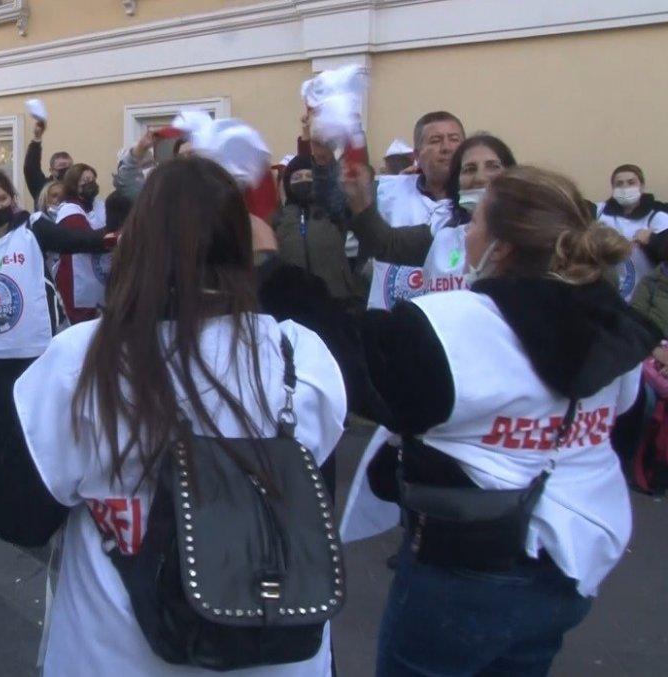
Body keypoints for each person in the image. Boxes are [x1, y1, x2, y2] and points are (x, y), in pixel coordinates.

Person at [265, 166, 657, 676]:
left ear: (504, 247)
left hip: (470, 570)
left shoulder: (462, 326)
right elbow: (621, 412)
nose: (467, 234)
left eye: (476, 224)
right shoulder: (615, 323)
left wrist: (267, 269)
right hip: (575, 562)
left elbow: (348, 351)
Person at [0, 155, 347, 676]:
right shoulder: (298, 355)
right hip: (279, 650)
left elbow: (18, 515)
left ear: (136, 241)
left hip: (115, 656)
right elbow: (312, 494)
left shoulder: (84, 359)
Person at [0, 171, 113, 468]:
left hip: (29, 345)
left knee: (29, 415)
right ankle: (5, 474)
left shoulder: (34, 226)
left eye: (2, 199)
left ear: (13, 198)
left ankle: (32, 473)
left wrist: (112, 238)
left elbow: (77, 240)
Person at [342, 133, 517, 297]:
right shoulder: (442, 232)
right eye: (469, 169)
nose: (480, 178)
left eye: (493, 166)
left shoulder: (529, 236)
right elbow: (387, 243)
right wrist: (360, 201)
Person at [356, 111, 465, 309]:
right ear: (416, 155)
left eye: (454, 139)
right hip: (389, 317)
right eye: (435, 140)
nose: (446, 148)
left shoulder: (477, 204)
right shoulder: (386, 191)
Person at [272, 154, 365, 309]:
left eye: (309, 175)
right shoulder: (279, 219)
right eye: (297, 176)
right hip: (292, 304)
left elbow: (336, 189)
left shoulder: (332, 212)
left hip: (335, 301)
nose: (303, 180)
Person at [595, 164, 668, 300]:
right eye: (619, 183)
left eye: (631, 182)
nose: (625, 187)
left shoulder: (658, 216)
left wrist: (652, 240)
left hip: (644, 299)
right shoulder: (598, 212)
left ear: (642, 186)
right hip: (605, 294)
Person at [53, 164, 107, 324]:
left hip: (99, 277)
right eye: (85, 180)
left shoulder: (100, 205)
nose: (91, 183)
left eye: (92, 179)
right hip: (76, 280)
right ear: (74, 184)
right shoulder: (68, 210)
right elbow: (86, 239)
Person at [24, 116, 73, 199]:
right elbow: (31, 168)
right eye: (62, 166)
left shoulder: (75, 189)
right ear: (52, 170)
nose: (67, 169)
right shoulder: (43, 188)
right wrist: (37, 139)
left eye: (70, 167)